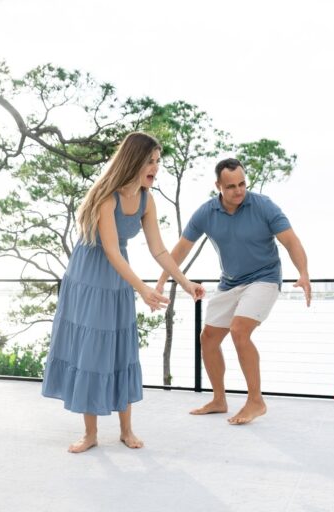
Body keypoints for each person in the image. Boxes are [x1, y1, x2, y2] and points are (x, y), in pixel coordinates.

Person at [41, 132, 205, 453]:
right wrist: (142, 289)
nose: (155, 167)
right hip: (90, 276)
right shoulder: (107, 198)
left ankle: (126, 430)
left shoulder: (146, 199)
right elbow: (111, 251)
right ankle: (90, 434)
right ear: (134, 162)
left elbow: (159, 249)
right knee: (92, 349)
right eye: (150, 161)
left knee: (122, 348)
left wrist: (185, 283)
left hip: (118, 278)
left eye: (157, 161)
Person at [155, 158, 310, 425]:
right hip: (229, 282)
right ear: (218, 186)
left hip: (264, 278)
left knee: (239, 331)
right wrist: (161, 281)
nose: (238, 191)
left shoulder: (263, 206)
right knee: (208, 339)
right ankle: (219, 399)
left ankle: (256, 401)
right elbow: (181, 248)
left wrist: (303, 272)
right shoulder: (206, 213)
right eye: (231, 186)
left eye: (242, 184)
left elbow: (290, 240)